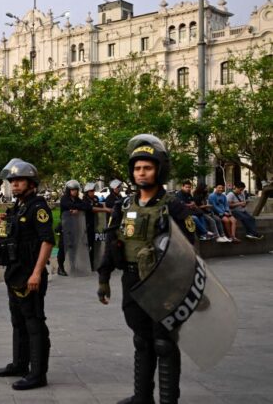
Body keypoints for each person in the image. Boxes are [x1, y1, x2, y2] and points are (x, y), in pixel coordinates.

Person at [98, 134, 196, 404]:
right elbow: (111, 242)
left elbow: (189, 248)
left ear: (159, 170)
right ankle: (142, 397)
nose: (142, 173)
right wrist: (103, 279)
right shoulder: (124, 205)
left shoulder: (173, 206)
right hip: (132, 281)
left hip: (163, 284)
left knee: (163, 343)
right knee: (141, 340)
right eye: (138, 168)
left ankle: (167, 400)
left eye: (148, 167)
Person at [0, 158, 54, 390]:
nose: (15, 185)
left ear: (31, 183)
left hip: (30, 273)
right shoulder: (18, 207)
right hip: (15, 272)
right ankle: (20, 363)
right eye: (13, 181)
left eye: (19, 181)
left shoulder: (38, 207)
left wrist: (37, 273)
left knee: (34, 321)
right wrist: (0, 221)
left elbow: (47, 241)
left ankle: (38, 374)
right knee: (18, 320)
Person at [57, 180, 91, 276]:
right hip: (65, 226)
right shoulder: (64, 199)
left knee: (74, 247)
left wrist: (77, 208)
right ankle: (60, 267)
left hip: (75, 226)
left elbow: (87, 206)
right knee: (63, 247)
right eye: (72, 190)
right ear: (68, 190)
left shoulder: (77, 199)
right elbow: (69, 205)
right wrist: (78, 207)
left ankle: (72, 266)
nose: (74, 192)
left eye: (76, 190)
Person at [83, 182, 111, 270]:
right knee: (88, 245)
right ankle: (87, 264)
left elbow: (99, 204)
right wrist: (105, 209)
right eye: (91, 191)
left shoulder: (95, 198)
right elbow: (92, 209)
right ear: (87, 192)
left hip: (96, 225)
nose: (93, 192)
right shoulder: (85, 200)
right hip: (87, 225)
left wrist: (104, 206)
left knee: (96, 245)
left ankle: (94, 263)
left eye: (93, 190)